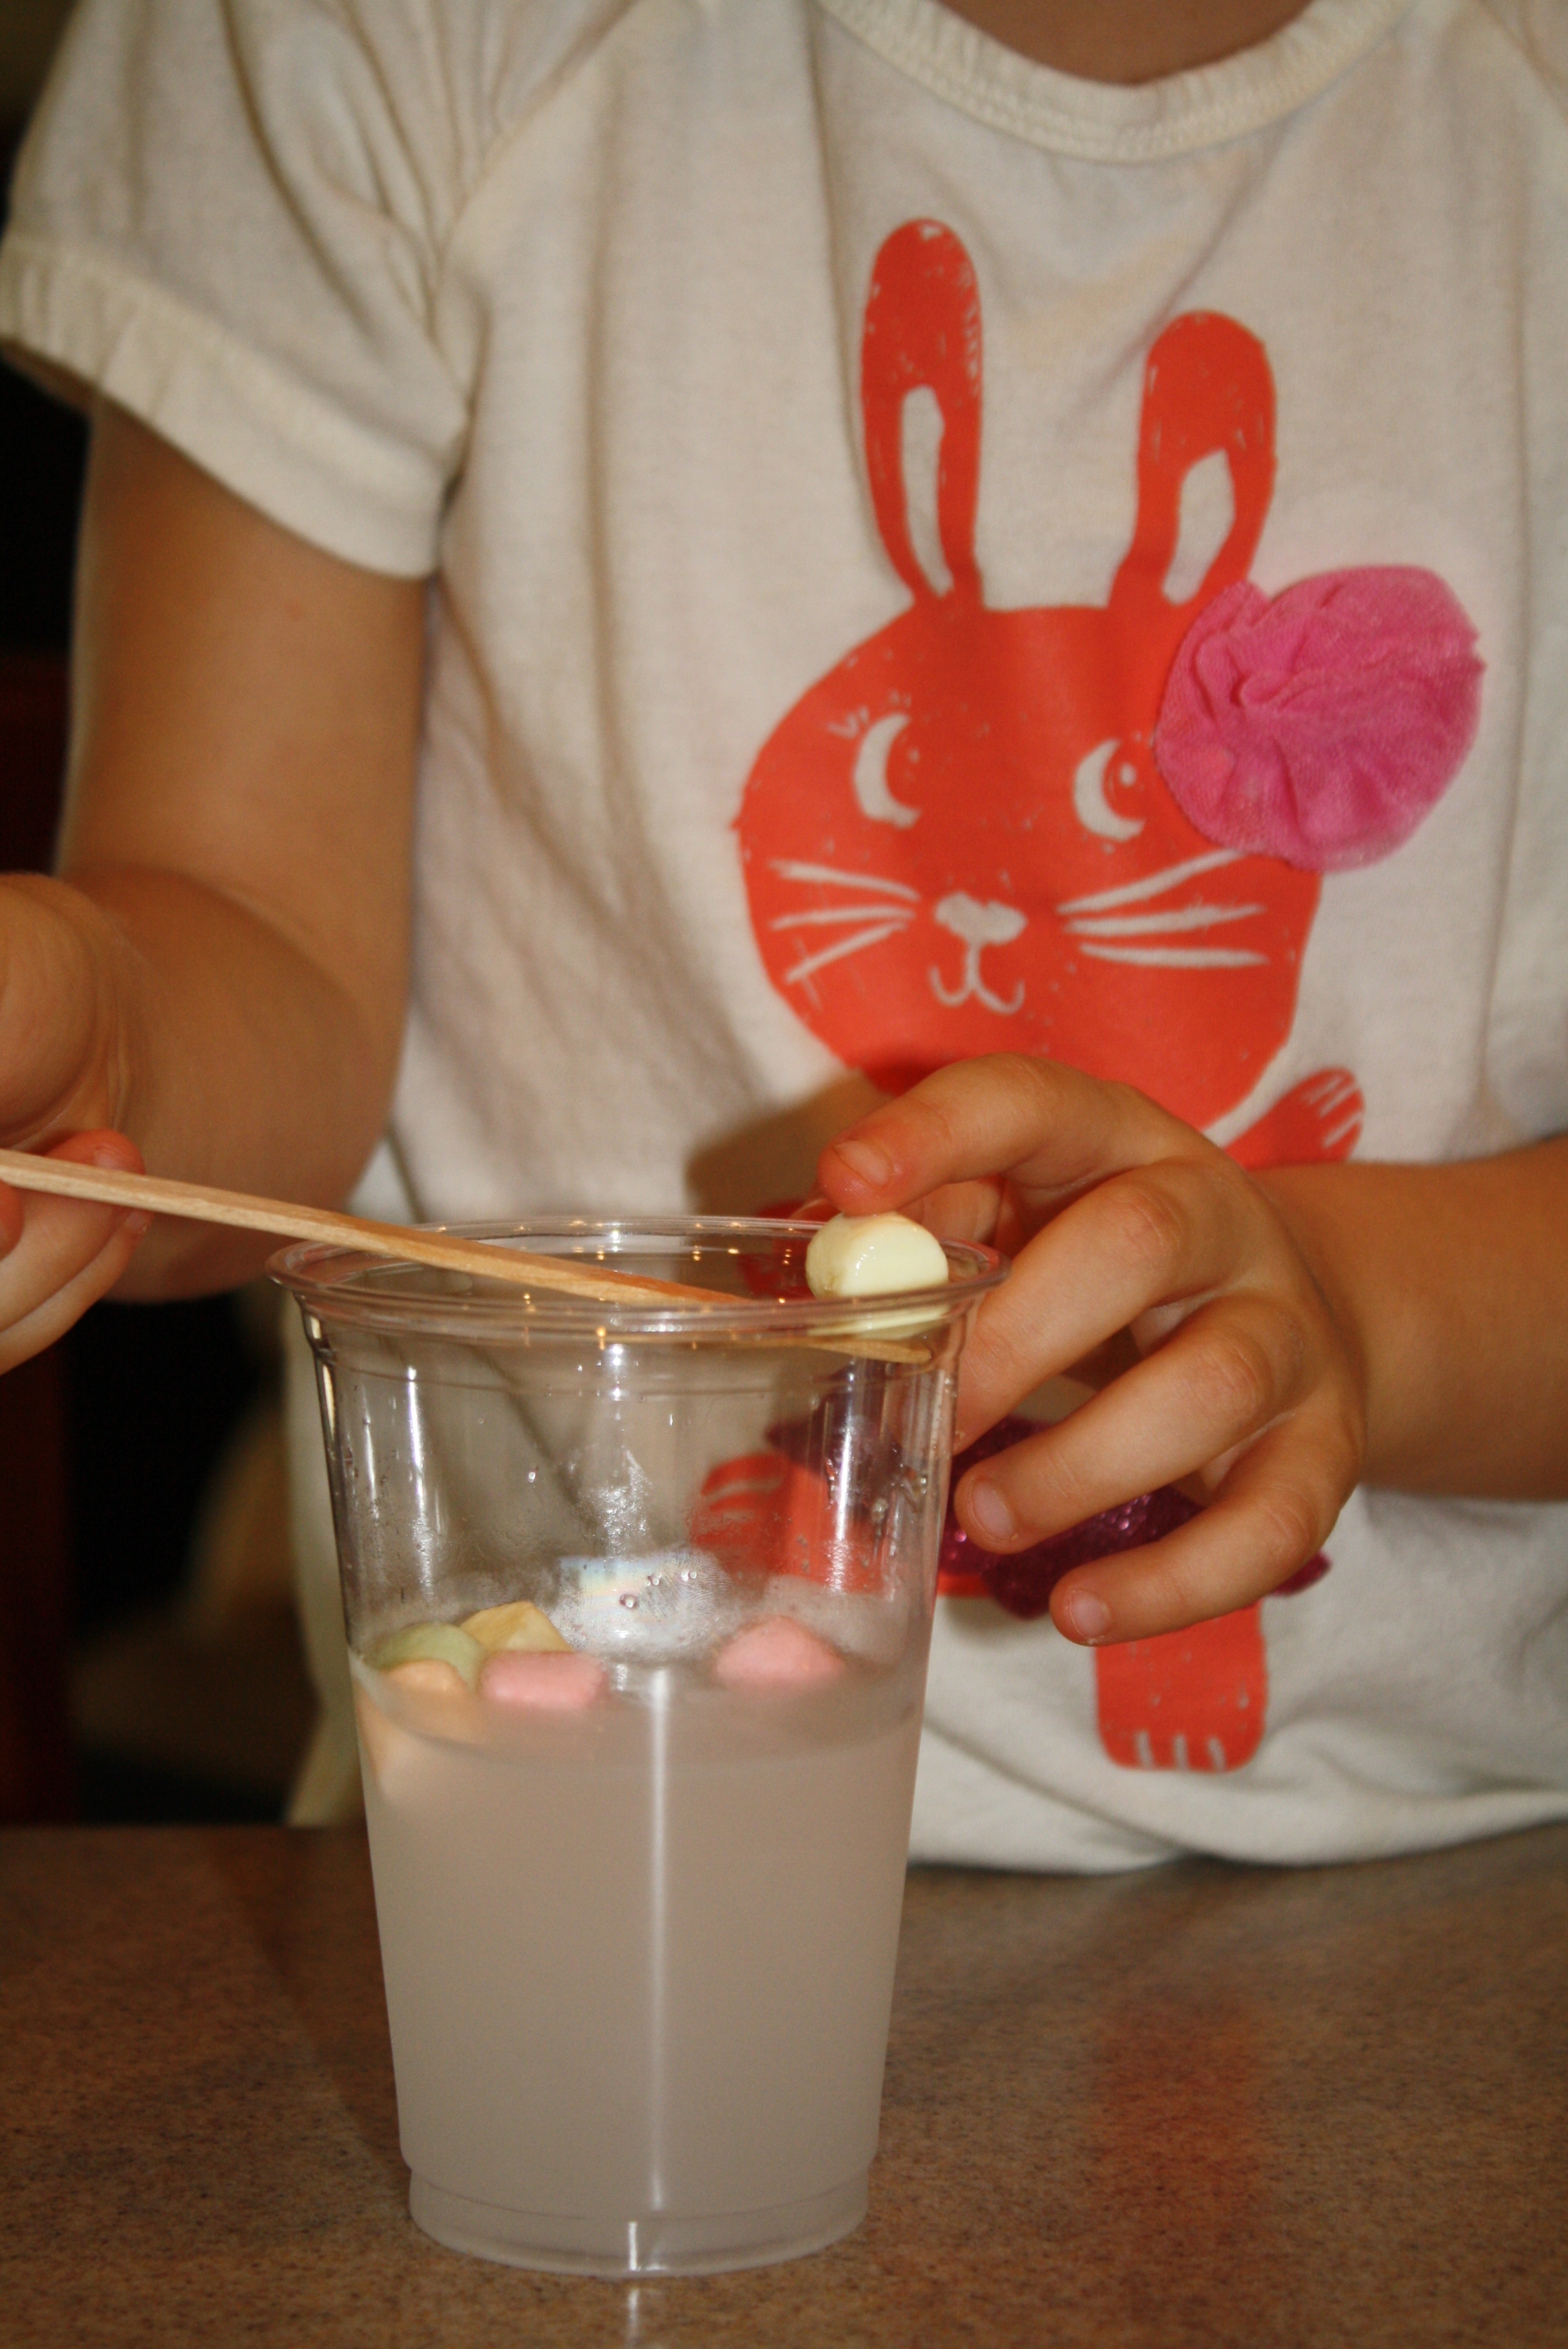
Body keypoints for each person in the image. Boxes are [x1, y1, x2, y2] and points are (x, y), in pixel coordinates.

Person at [1, 0, 1566, 1865]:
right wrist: (104, 1043)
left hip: (1466, 1886)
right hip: (553, 1851)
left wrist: (1349, 1312)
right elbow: (245, 932)